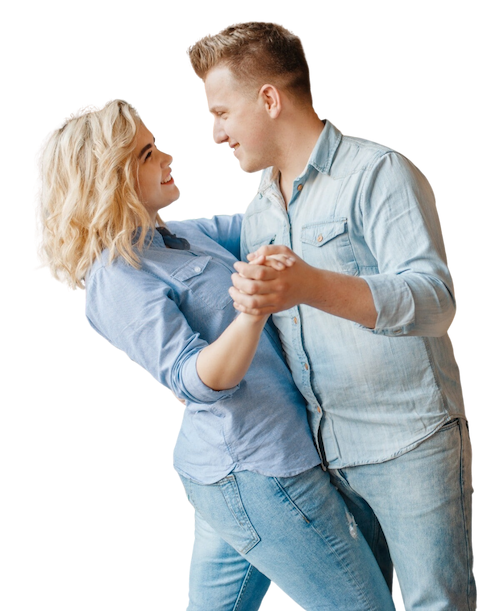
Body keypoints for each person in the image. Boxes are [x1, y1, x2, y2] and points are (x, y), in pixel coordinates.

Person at [32, 98, 396, 610]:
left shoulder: (177, 237)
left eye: (155, 146)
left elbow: (263, 225)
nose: (167, 158)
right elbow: (193, 380)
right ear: (108, 178)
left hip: (239, 465)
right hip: (261, 469)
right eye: (146, 155)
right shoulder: (116, 278)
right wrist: (253, 311)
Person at [186, 21, 476, 610]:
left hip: (409, 443)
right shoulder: (260, 207)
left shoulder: (377, 172)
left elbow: (434, 298)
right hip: (327, 456)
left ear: (269, 99)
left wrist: (310, 285)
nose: (216, 134)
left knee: (435, 605)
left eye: (221, 113)